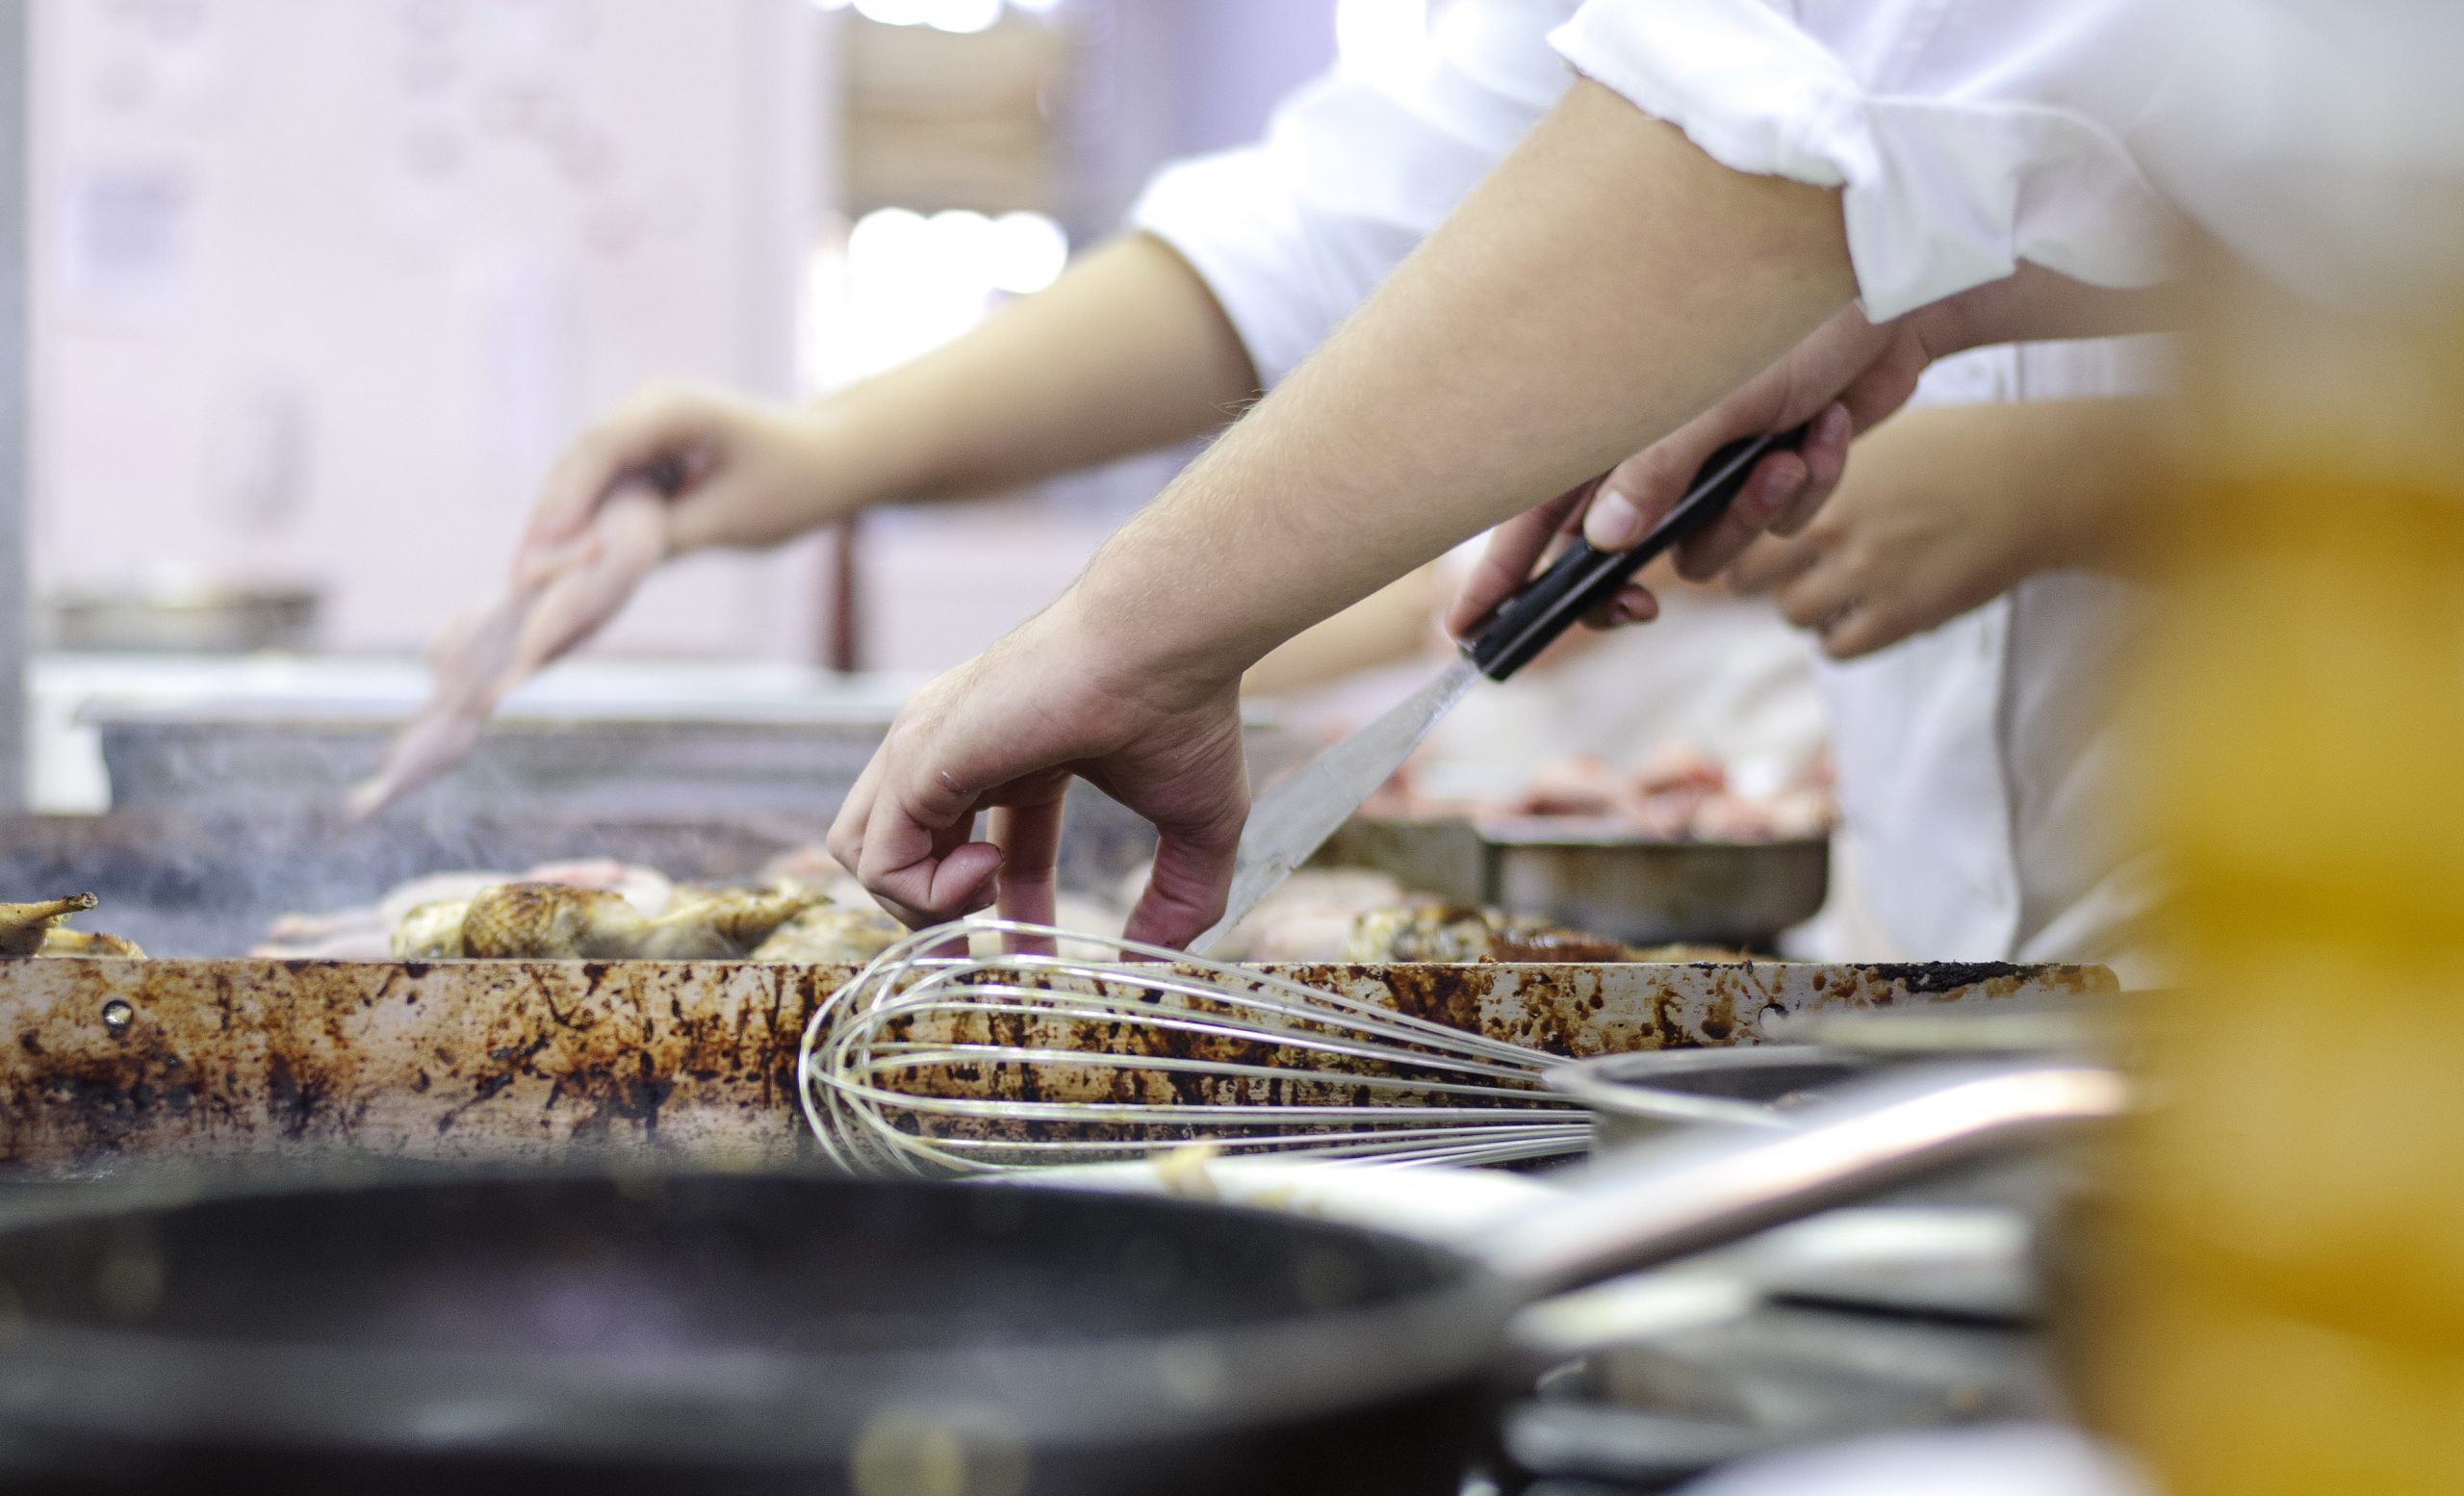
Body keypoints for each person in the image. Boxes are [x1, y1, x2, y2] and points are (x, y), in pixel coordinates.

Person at [522, 0, 2188, 953]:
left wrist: (2105, 464)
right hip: (1957, 956)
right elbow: (1365, 216)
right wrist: (831, 452)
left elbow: (1775, 155)